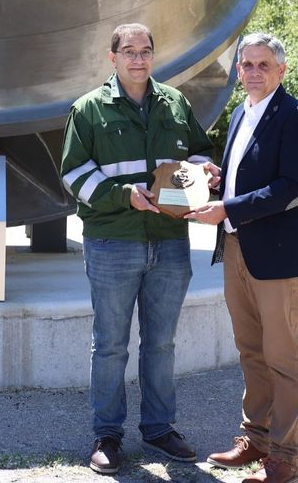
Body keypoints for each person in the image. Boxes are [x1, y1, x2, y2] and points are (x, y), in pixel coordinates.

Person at [60, 23, 221, 475]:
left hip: (170, 244)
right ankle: (107, 436)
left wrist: (203, 170)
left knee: (162, 343)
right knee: (110, 345)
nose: (138, 59)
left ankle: (159, 428)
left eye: (145, 51)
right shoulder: (88, 109)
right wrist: (122, 196)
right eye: (129, 51)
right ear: (112, 58)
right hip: (114, 242)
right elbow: (74, 174)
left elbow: (194, 153)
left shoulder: (174, 103)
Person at [187, 33, 298, 483]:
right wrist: (222, 182)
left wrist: (229, 208)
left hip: (278, 257)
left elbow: (292, 187)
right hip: (238, 248)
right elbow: (251, 178)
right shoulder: (242, 111)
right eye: (248, 65)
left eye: (264, 65)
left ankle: (286, 459)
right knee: (251, 351)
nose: (255, 72)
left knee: (285, 357)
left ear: (281, 70)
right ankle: (256, 440)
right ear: (238, 71)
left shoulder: (296, 116)